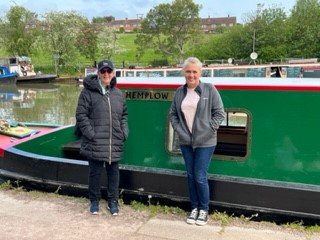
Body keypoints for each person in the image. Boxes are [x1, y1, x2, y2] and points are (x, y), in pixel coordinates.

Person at [169, 57, 225, 226]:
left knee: (200, 176)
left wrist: (207, 131)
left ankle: (204, 209)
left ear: (200, 72)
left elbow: (219, 114)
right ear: (183, 73)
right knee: (191, 175)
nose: (191, 75)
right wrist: (180, 131)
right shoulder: (179, 92)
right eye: (188, 71)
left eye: (194, 71)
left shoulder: (209, 89)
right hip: (186, 141)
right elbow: (173, 114)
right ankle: (194, 207)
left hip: (206, 142)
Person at [75, 59, 129, 216]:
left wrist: (123, 131)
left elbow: (124, 115)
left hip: (114, 140)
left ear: (113, 73)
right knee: (95, 172)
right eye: (103, 71)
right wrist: (91, 134)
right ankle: (94, 201)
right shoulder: (87, 93)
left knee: (113, 173)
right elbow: (81, 115)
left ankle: (113, 201)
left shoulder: (118, 94)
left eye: (109, 71)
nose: (106, 74)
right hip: (95, 141)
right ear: (98, 74)